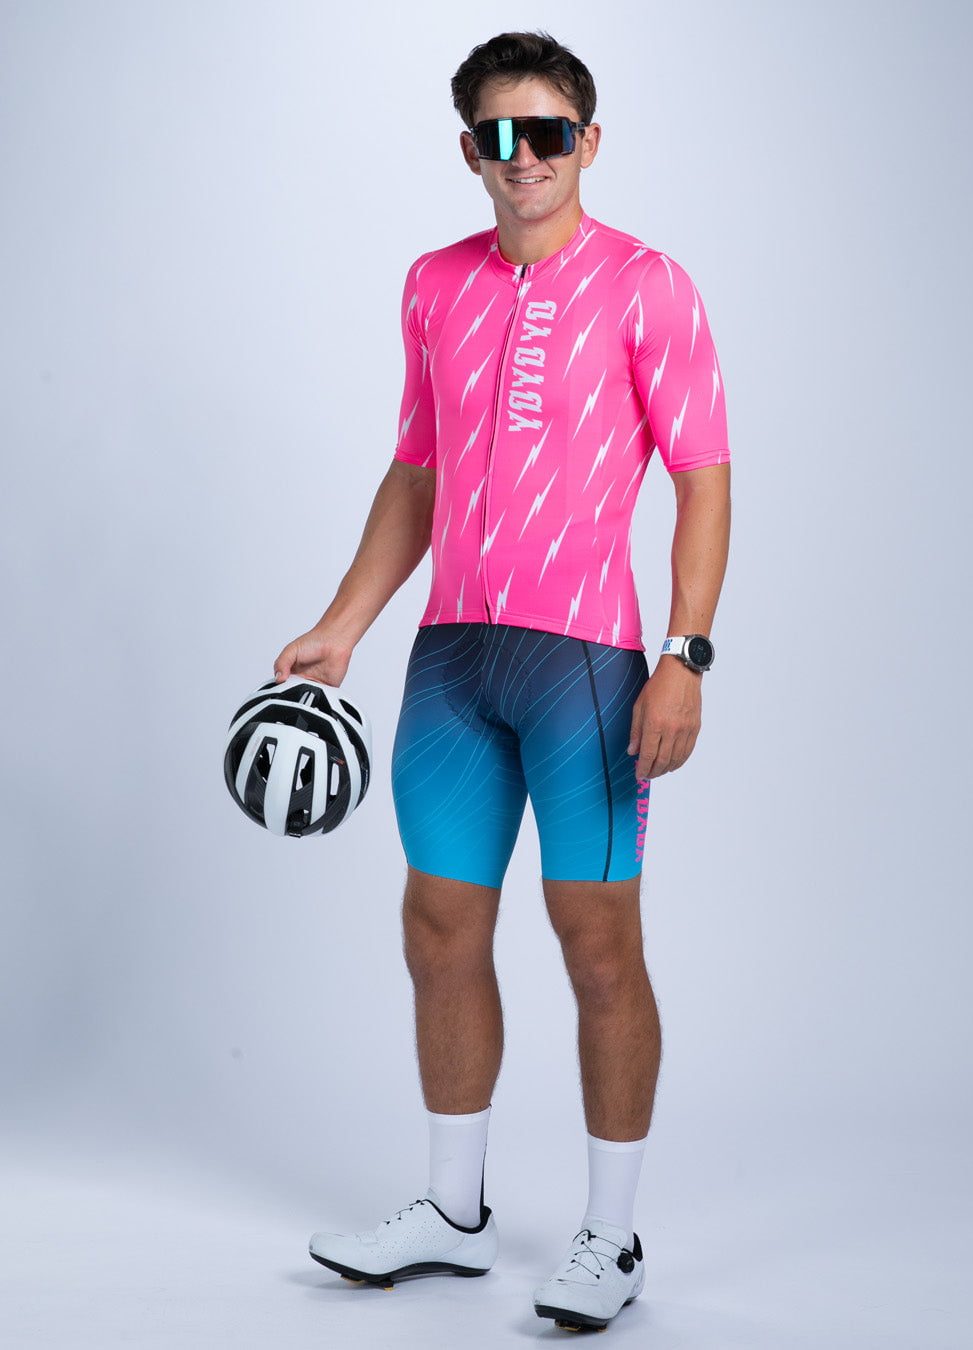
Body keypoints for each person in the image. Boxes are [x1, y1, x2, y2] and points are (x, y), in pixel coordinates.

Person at [275, 31, 731, 1332]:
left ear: (589, 141)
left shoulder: (649, 285)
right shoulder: (434, 284)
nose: (524, 156)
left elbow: (704, 479)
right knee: (438, 928)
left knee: (598, 943)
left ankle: (611, 1236)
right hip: (452, 660)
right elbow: (415, 474)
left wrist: (685, 655)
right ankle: (452, 1210)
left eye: (548, 132)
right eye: (499, 135)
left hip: (585, 664)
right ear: (471, 150)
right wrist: (344, 624)